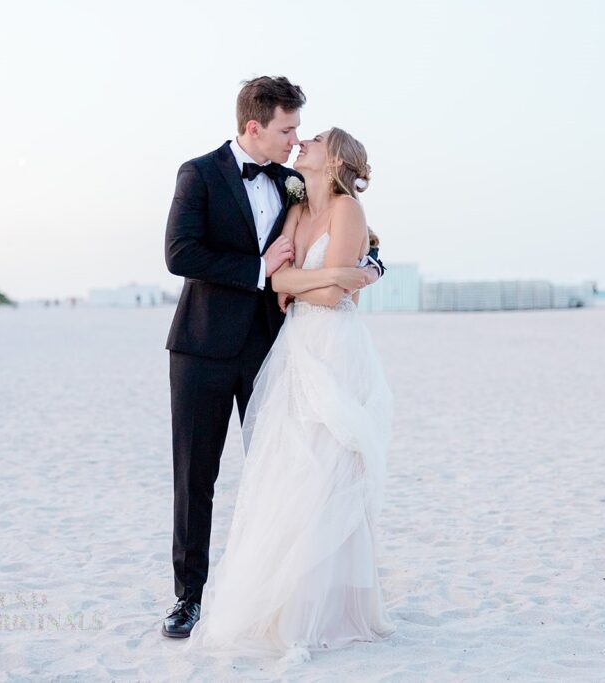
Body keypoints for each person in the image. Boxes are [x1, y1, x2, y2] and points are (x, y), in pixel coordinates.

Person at [162, 77, 384, 640]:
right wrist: (263, 271)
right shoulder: (200, 174)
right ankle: (189, 599)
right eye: (287, 130)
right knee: (196, 477)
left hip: (273, 350)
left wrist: (373, 267)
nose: (295, 139)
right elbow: (181, 252)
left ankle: (282, 595)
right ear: (254, 127)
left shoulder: (295, 181)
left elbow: (361, 232)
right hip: (203, 348)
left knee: (281, 475)